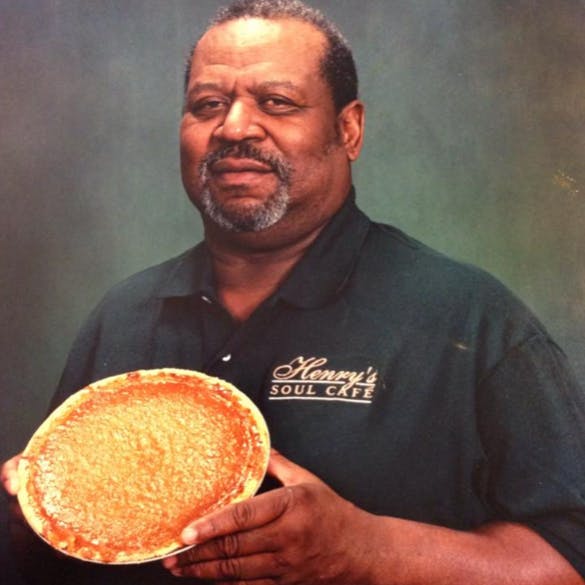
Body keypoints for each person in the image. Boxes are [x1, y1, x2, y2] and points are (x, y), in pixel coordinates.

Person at [3, 0, 585, 583]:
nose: (233, 127)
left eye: (277, 102)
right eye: (208, 105)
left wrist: (366, 550)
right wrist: (40, 510)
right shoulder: (124, 314)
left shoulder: (470, 316)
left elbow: (570, 560)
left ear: (348, 128)